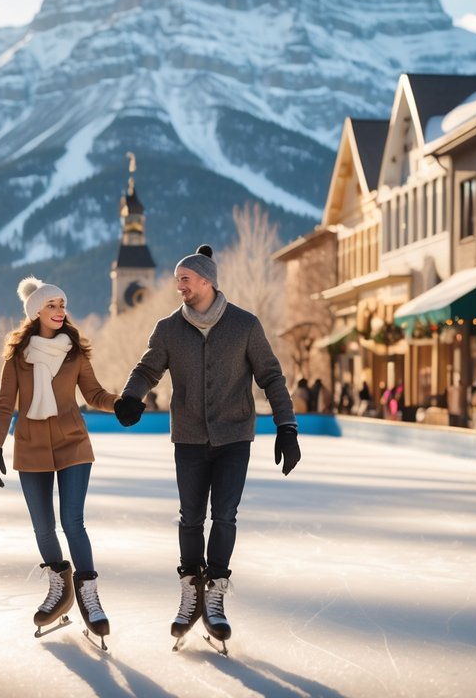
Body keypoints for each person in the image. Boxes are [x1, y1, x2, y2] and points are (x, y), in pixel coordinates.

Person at [113, 244, 300, 652]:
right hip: (190, 438)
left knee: (226, 515)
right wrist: (132, 396)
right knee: (190, 517)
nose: (178, 285)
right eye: (177, 279)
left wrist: (286, 425)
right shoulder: (168, 329)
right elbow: (147, 368)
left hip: (235, 437)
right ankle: (190, 591)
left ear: (206, 281)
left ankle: (214, 594)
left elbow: (271, 376)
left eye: (184, 279)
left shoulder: (244, 325)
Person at [0, 277, 119, 646]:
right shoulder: (17, 358)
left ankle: (89, 598)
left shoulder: (74, 352)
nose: (60, 312)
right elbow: (4, 403)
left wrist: (119, 403)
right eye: (52, 306)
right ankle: (61, 588)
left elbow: (93, 393)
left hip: (72, 443)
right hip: (31, 447)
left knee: (72, 522)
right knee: (43, 527)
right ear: (36, 312)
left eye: (62, 305)